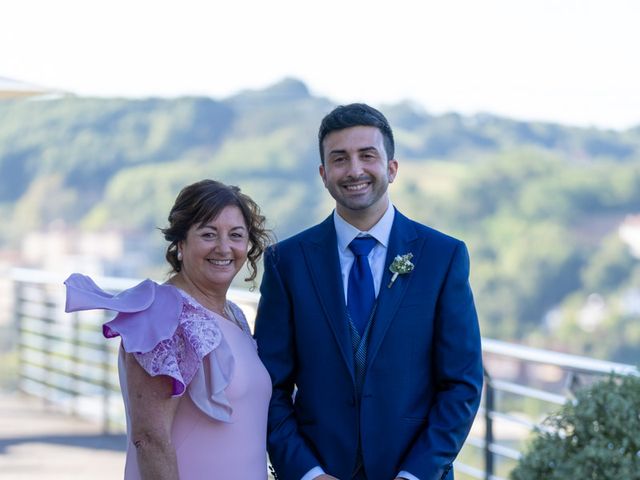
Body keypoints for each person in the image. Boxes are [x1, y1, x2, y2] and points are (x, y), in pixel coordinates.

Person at [254, 104, 483, 480]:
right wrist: (307, 472)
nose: (355, 170)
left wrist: (416, 474)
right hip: (319, 468)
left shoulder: (443, 257)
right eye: (339, 159)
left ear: (391, 168)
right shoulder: (287, 262)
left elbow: (462, 382)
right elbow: (270, 386)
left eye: (367, 155)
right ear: (324, 174)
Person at [64, 179, 273, 480]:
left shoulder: (235, 314)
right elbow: (150, 439)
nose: (224, 247)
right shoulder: (161, 311)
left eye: (236, 235)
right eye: (208, 234)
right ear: (181, 243)